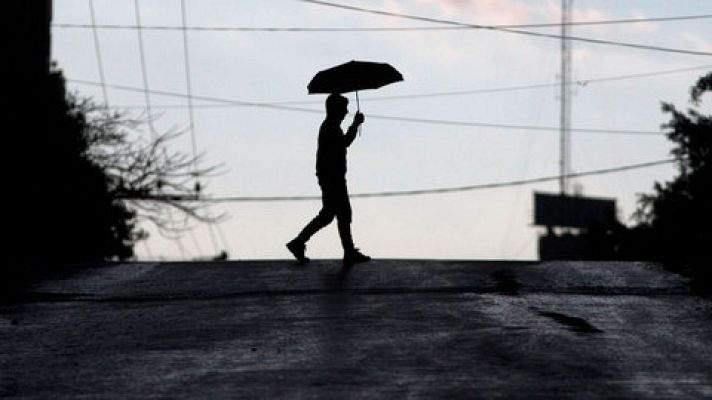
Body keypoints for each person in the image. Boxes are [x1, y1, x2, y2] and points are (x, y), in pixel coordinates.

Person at [287, 93, 371, 266]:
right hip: (332, 178)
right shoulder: (330, 128)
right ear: (335, 110)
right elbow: (344, 143)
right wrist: (355, 125)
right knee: (338, 214)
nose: (346, 112)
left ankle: (301, 242)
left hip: (331, 177)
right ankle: (301, 242)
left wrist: (354, 125)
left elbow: (343, 143)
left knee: (332, 214)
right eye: (343, 108)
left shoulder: (330, 127)